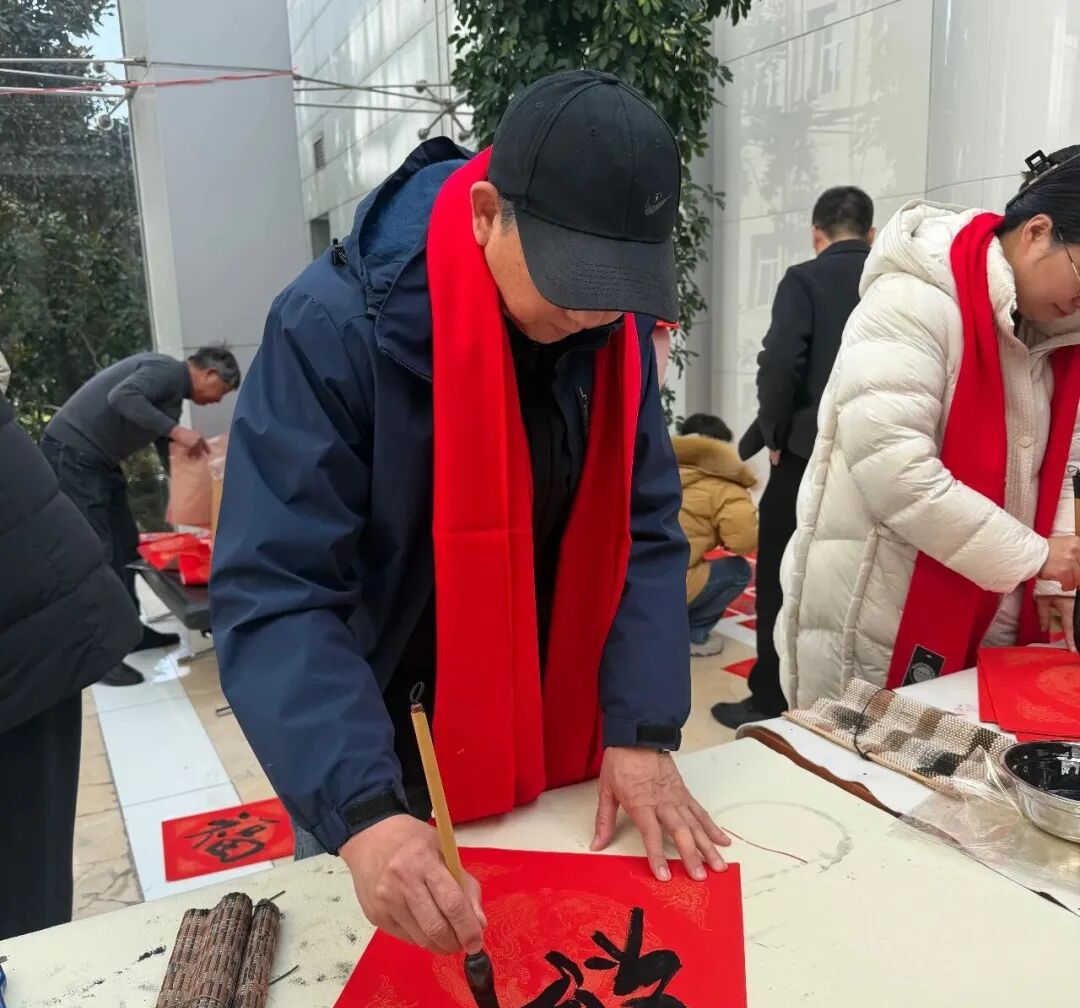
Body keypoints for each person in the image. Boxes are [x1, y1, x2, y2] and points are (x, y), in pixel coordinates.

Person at [212, 70, 732, 960]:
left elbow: (645, 527)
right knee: (399, 982)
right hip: (382, 748)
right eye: (572, 280)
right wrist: (363, 811)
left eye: (618, 285)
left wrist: (642, 727)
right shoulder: (331, 330)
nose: (592, 313)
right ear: (488, 214)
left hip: (556, 734)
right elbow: (278, 590)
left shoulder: (610, 338)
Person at [778, 147, 1080, 708]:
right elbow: (895, 470)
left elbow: (1062, 463)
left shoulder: (1053, 332)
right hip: (883, 607)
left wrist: (1052, 573)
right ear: (1038, 233)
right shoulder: (914, 300)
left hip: (992, 602)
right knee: (866, 756)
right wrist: (1038, 556)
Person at [714, 187, 874, 728]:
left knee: (781, 578)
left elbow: (780, 363)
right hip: (874, 458)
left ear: (816, 234)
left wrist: (776, 435)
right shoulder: (891, 281)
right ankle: (849, 703)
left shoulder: (805, 279)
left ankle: (771, 698)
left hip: (807, 454)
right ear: (872, 233)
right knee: (857, 585)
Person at [0, 391, 141, 939]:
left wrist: (174, 434)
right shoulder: (163, 377)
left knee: (21, 909)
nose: (217, 398)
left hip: (28, 623)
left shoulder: (165, 377)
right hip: (71, 467)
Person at [41, 346, 240, 686]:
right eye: (221, 391)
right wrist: (177, 431)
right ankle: (100, 652)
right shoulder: (166, 370)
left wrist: (200, 495)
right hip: (73, 454)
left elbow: (168, 450)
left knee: (126, 546)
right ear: (209, 373)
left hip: (100, 463)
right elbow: (122, 396)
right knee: (98, 554)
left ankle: (129, 632)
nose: (218, 400)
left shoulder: (173, 397)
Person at [674, 413, 758, 657]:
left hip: (630, 582)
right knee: (739, 570)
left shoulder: (652, 469)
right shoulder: (726, 488)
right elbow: (744, 542)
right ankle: (693, 635)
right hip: (674, 584)